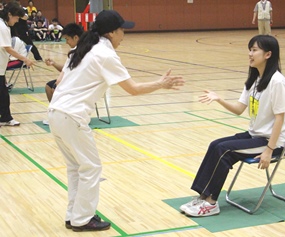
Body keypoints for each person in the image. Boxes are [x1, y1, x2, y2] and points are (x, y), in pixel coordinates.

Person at [48, 10, 184, 231]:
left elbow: (61, 78)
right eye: (122, 30)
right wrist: (161, 83)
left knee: (76, 168)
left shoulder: (81, 49)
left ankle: (74, 215)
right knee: (91, 168)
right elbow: (133, 89)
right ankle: (82, 219)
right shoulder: (105, 54)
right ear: (111, 33)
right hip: (71, 116)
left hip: (55, 113)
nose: (124, 35)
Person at [180, 35, 285, 217]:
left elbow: (280, 118)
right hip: (255, 135)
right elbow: (239, 109)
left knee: (224, 150)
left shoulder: (277, 82)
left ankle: (211, 203)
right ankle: (203, 196)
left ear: (268, 54)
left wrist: (270, 150)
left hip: (272, 141)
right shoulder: (255, 80)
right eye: (250, 49)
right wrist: (219, 99)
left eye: (254, 50)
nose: (250, 54)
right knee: (215, 145)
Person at [0, 2, 34, 126]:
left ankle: (5, 117)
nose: (17, 21)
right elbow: (8, 48)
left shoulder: (4, 25)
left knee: (3, 94)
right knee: (3, 94)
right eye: (16, 18)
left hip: (1, 66)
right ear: (9, 14)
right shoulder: (2, 27)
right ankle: (6, 117)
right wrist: (25, 59)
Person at [43, 22, 83, 125]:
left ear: (76, 37)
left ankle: (63, 117)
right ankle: (56, 114)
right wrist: (54, 64)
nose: (66, 42)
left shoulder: (84, 51)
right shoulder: (73, 51)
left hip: (79, 82)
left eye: (67, 39)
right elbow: (66, 70)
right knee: (49, 86)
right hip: (70, 79)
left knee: (55, 88)